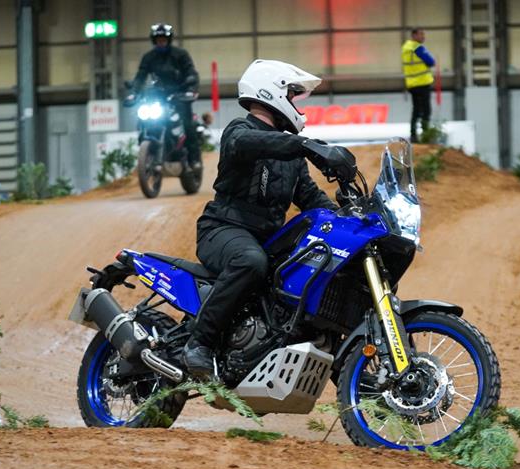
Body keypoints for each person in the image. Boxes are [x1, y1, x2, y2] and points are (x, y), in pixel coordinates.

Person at [182, 59, 354, 376]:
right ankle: (199, 344)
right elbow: (251, 143)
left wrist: (349, 213)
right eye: (292, 96)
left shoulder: (292, 159)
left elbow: (311, 199)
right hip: (223, 229)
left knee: (303, 277)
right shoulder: (240, 131)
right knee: (251, 261)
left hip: (267, 241)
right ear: (271, 92)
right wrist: (305, 145)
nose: (295, 105)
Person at [130, 23, 201, 170]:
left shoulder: (180, 54)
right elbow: (140, 76)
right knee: (143, 118)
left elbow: (191, 72)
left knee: (188, 124)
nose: (161, 42)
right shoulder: (149, 57)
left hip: (180, 94)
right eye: (158, 39)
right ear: (154, 41)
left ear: (169, 40)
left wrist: (190, 88)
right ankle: (147, 152)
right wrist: (133, 93)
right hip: (158, 96)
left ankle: (194, 159)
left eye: (163, 39)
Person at [401, 28, 436, 143]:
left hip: (411, 84)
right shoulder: (417, 48)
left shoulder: (406, 48)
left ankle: (413, 135)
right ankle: (426, 134)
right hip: (422, 83)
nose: (423, 37)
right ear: (414, 35)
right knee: (426, 110)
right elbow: (431, 61)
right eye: (421, 34)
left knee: (416, 109)